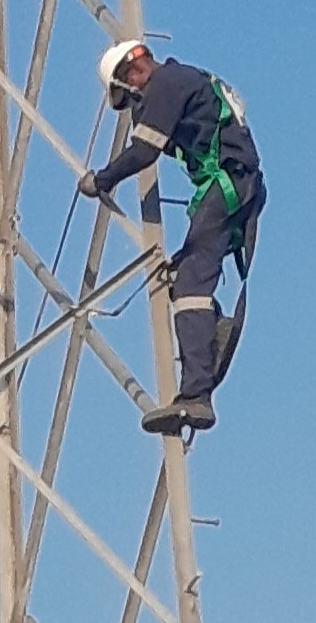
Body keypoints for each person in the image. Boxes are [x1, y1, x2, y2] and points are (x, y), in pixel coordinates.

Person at [79, 39, 264, 435]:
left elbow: (145, 150)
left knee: (190, 286)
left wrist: (102, 179)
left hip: (228, 182)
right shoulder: (186, 79)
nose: (135, 107)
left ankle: (196, 395)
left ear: (131, 76)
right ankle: (211, 336)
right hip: (237, 184)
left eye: (129, 99)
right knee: (187, 274)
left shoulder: (166, 83)